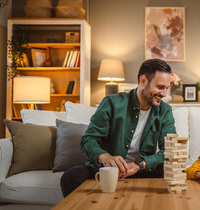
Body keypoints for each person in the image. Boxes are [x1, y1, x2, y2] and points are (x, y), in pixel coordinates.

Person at [60, 59, 177, 197]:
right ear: (143, 81)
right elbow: (89, 139)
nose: (164, 94)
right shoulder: (112, 103)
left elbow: (170, 150)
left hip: (141, 171)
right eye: (160, 87)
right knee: (71, 177)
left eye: (166, 88)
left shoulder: (165, 111)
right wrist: (104, 157)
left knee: (172, 171)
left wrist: (140, 164)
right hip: (106, 171)